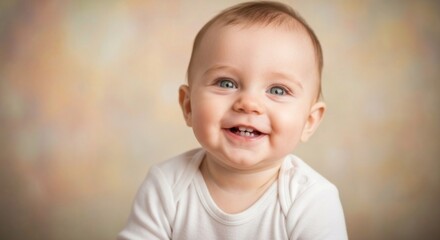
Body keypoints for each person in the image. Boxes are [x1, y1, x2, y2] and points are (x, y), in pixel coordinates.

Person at [118, 1, 348, 239]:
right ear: (188, 106)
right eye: (226, 83)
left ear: (309, 121)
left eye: (278, 90)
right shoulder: (166, 185)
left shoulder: (311, 199)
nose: (248, 103)